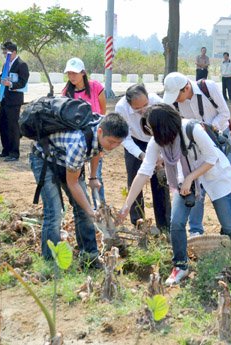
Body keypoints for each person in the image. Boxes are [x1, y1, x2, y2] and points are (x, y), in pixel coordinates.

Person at [118, 104, 231, 285]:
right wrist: (127, 205)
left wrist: (191, 177)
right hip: (185, 179)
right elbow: (144, 171)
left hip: (215, 176)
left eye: (151, 128)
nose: (149, 133)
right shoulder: (158, 141)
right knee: (176, 222)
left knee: (229, 225)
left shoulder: (192, 129)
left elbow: (211, 158)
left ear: (163, 126)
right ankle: (180, 265)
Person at [29, 113, 128, 265]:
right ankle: (50, 262)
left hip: (68, 161)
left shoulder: (101, 129)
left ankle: (90, 256)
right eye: (111, 142)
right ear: (100, 132)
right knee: (55, 212)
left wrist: (93, 177)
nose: (113, 146)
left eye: (118, 143)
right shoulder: (79, 143)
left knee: (83, 211)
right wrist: (91, 211)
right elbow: (72, 183)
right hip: (45, 160)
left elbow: (97, 150)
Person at [163, 71, 231, 237]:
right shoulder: (174, 103)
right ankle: (195, 230)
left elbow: (225, 114)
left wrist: (208, 128)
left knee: (222, 185)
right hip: (193, 147)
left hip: (218, 140)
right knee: (196, 185)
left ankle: (229, 228)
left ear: (186, 88)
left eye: (176, 95)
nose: (174, 100)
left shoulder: (209, 88)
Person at [115, 84, 171, 231]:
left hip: (158, 139)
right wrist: (141, 154)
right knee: (135, 179)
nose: (143, 110)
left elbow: (168, 127)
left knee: (160, 181)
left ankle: (165, 225)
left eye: (146, 105)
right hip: (134, 142)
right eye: (138, 108)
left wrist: (161, 154)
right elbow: (125, 138)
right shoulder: (121, 108)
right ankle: (138, 223)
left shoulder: (157, 101)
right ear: (129, 104)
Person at [62, 57, 107, 205]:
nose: (72, 77)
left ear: (83, 73)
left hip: (94, 139)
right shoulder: (66, 92)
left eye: (75, 73)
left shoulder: (95, 87)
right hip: (77, 142)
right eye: (69, 73)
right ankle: (85, 207)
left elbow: (102, 110)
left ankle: (100, 205)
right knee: (78, 174)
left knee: (96, 175)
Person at [0, 41, 29, 162]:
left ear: (14, 52)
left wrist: (10, 83)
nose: (5, 54)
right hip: (4, 98)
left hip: (14, 100)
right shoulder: (6, 64)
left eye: (7, 52)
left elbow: (22, 82)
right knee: (2, 123)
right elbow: (0, 77)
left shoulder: (21, 64)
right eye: (4, 52)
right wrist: (1, 80)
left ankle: (14, 152)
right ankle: (6, 150)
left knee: (13, 126)